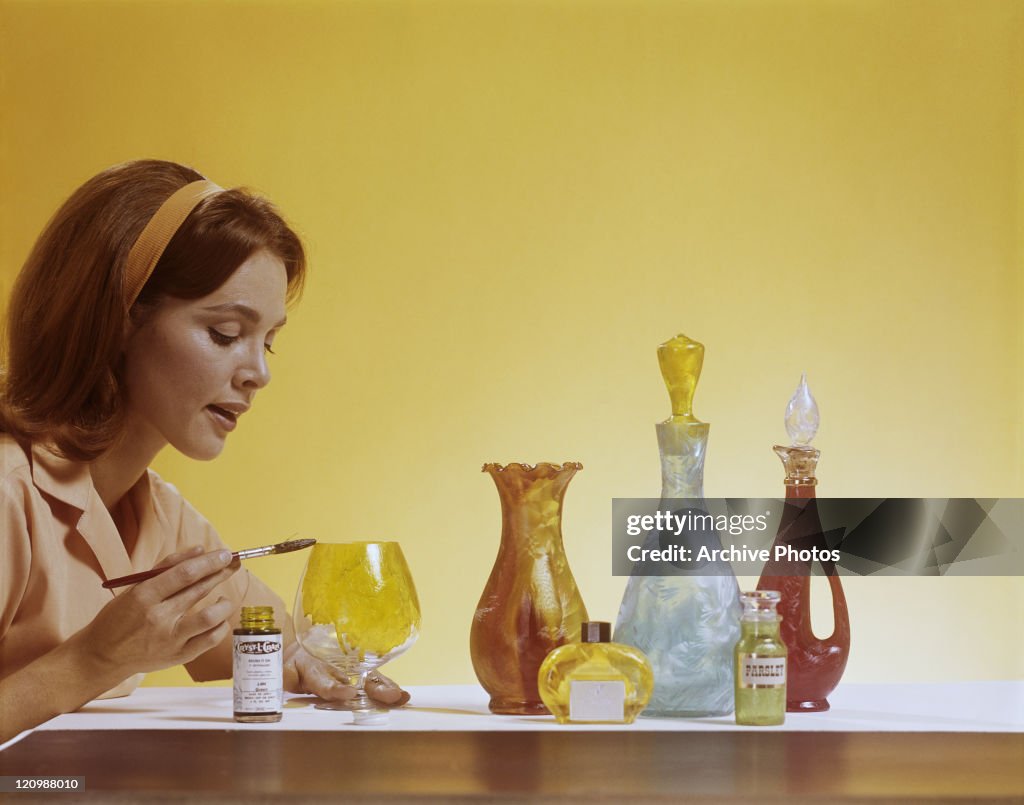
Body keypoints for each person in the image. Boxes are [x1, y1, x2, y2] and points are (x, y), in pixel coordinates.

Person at [0, 160, 408, 742]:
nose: (259, 373)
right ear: (118, 317)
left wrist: (327, 671)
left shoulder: (161, 520)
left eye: (269, 342)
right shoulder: (7, 493)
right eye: (224, 333)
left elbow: (279, 647)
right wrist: (91, 661)